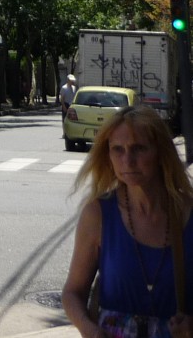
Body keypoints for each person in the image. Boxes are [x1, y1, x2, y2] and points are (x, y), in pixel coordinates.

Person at [63, 104, 193, 338]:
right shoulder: (98, 214)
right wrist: (89, 329)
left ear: (161, 153)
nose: (127, 161)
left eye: (139, 148)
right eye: (117, 150)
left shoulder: (189, 212)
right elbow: (73, 292)